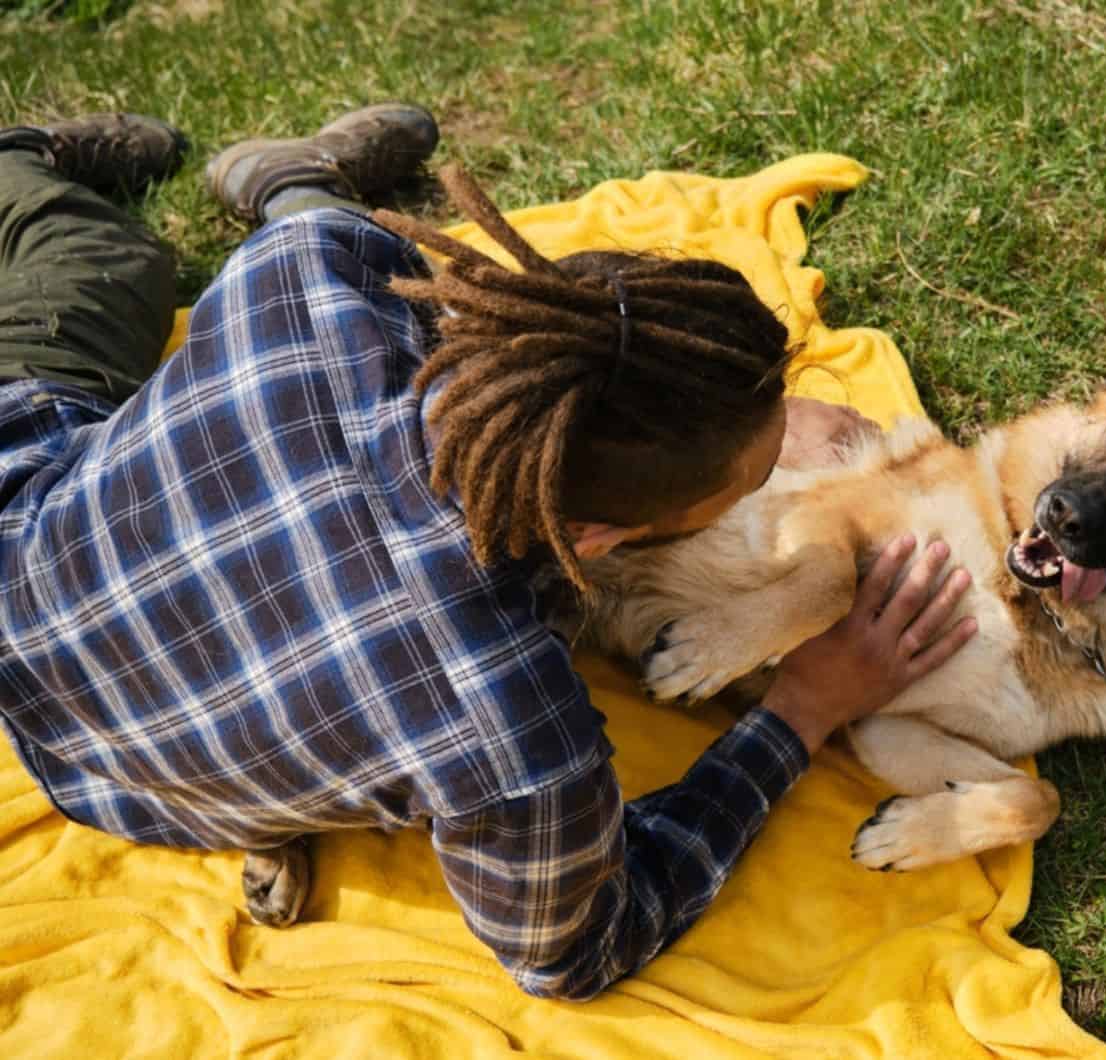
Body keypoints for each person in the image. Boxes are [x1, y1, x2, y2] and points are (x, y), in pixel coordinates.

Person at [0, 105, 976, 1000]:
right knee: (86, 252)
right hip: (136, 787)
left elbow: (335, 258)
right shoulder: (514, 739)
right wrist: (802, 709)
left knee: (120, 264)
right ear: (595, 536)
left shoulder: (309, 277)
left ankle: (285, 181)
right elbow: (578, 951)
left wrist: (734, 427)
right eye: (755, 471)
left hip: (24, 569)